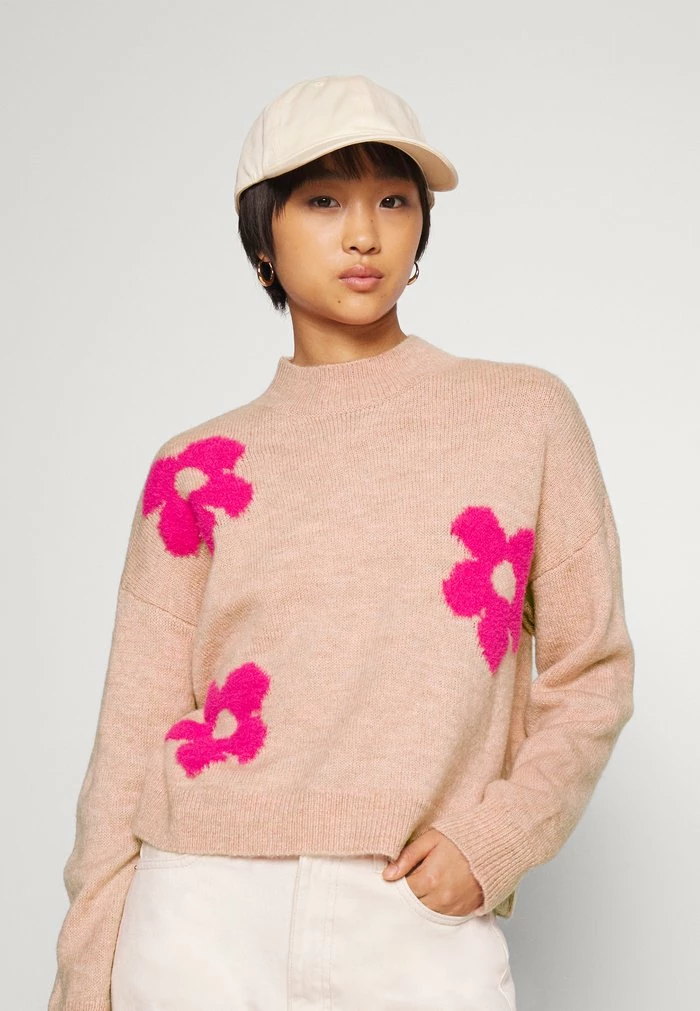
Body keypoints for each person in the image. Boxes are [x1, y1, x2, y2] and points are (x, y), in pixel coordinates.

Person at [48, 74, 635, 1011]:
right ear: (263, 238)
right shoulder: (194, 467)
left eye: (393, 201)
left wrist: (495, 843)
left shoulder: (523, 415)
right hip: (196, 909)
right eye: (324, 201)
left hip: (410, 914)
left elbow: (591, 670)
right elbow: (129, 734)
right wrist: (85, 977)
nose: (364, 233)